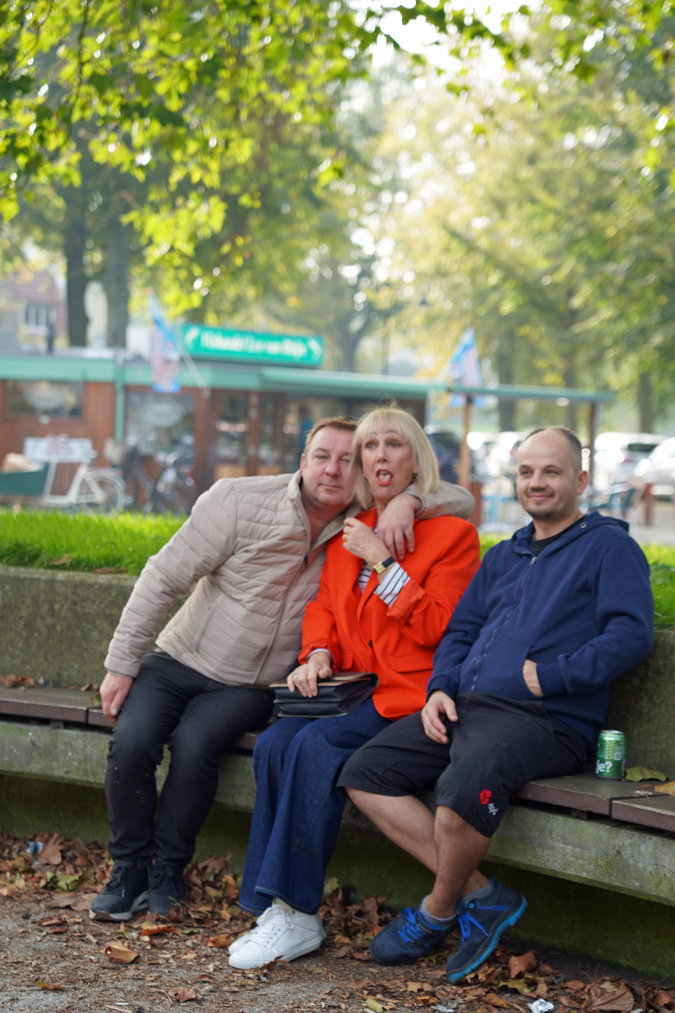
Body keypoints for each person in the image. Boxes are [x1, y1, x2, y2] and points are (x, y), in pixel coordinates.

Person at [91, 415, 474, 922]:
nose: (335, 470)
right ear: (303, 461)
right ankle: (130, 871)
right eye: (325, 456)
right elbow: (164, 577)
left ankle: (177, 875)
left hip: (259, 683)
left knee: (200, 743)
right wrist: (121, 664)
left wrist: (405, 512)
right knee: (134, 740)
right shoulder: (242, 501)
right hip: (184, 656)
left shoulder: (359, 525)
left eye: (349, 458)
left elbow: (455, 501)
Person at [340, 426, 654, 982]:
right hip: (469, 706)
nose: (537, 483)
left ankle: (437, 909)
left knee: (463, 789)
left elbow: (630, 635)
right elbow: (461, 630)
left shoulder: (610, 547)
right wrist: (440, 688)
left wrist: (551, 676)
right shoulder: (505, 553)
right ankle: (484, 897)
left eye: (551, 472)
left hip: (547, 718)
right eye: (527, 472)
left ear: (580, 480)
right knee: (365, 772)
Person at [228, 407, 480, 970]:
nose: (381, 456)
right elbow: (323, 606)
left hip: (414, 700)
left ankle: (298, 912)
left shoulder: (452, 536)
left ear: (416, 458)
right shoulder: (353, 529)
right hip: (356, 689)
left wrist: (384, 563)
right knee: (274, 742)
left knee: (316, 749)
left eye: (394, 444)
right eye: (371, 447)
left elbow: (438, 626)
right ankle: (270, 905)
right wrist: (316, 653)